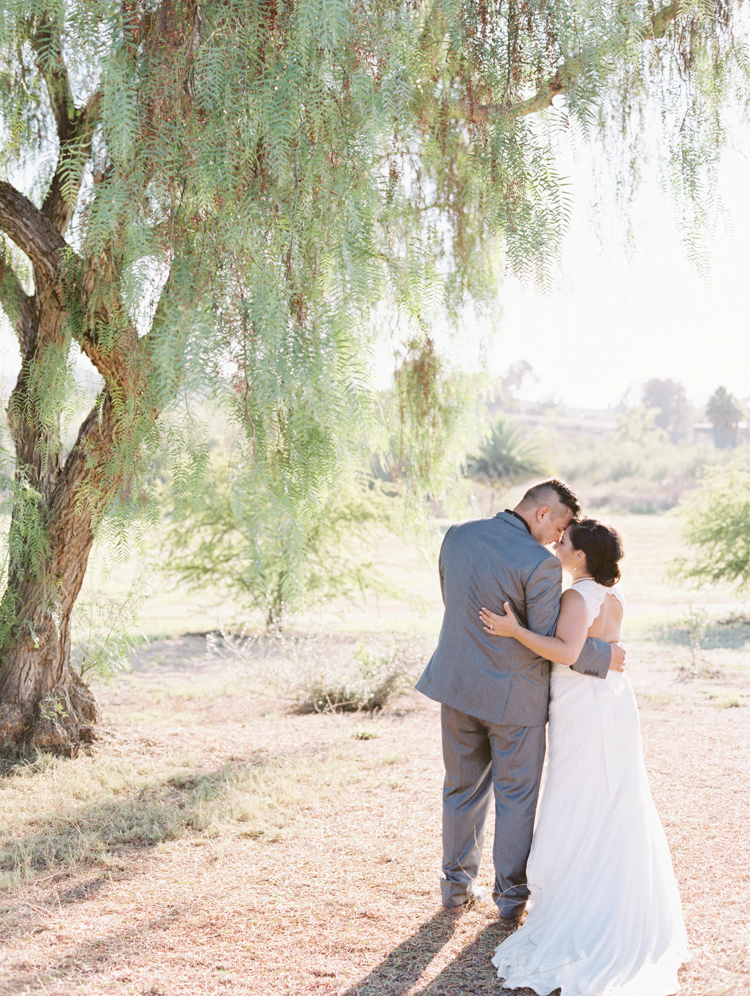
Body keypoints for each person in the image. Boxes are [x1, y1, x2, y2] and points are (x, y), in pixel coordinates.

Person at [484, 517, 688, 996]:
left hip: (584, 706)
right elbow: (603, 651)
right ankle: (610, 897)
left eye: (565, 541)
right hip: (613, 699)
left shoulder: (577, 595)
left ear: (579, 556)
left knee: (580, 794)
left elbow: (565, 651)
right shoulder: (611, 596)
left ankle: (580, 901)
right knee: (612, 794)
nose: (558, 542)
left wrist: (514, 630)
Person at [415, 479, 626, 923]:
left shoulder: (456, 535)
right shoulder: (539, 564)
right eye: (562, 527)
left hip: (456, 686)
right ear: (543, 513)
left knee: (459, 789)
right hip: (515, 701)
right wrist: (606, 656)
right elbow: (554, 638)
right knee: (515, 798)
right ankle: (510, 901)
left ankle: (454, 890)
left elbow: (454, 601)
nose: (558, 542)